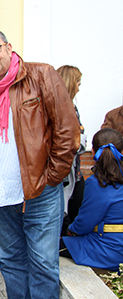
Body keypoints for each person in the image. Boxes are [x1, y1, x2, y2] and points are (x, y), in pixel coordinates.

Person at [0, 28, 79, 299]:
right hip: (0, 195)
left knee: (43, 265)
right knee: (10, 263)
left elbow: (67, 130)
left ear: (9, 48)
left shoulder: (41, 75)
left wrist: (51, 177)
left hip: (39, 193)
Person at [61, 128, 123, 271]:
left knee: (47, 247)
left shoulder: (97, 183)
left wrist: (69, 230)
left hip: (108, 252)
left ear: (93, 152)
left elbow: (84, 224)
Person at [57, 65, 87, 235]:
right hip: (63, 174)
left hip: (74, 171)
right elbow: (73, 139)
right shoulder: (61, 108)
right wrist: (80, 139)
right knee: (64, 213)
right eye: (78, 83)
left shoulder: (71, 107)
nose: (79, 88)